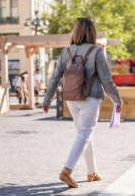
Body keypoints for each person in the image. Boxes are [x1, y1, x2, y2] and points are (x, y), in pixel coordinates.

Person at [43, 18, 122, 189]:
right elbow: (106, 80)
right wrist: (117, 100)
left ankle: (91, 172)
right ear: (92, 33)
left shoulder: (66, 52)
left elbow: (55, 77)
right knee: (85, 134)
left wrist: (47, 100)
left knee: (83, 134)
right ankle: (67, 171)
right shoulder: (96, 52)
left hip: (71, 98)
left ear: (75, 32)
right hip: (90, 98)